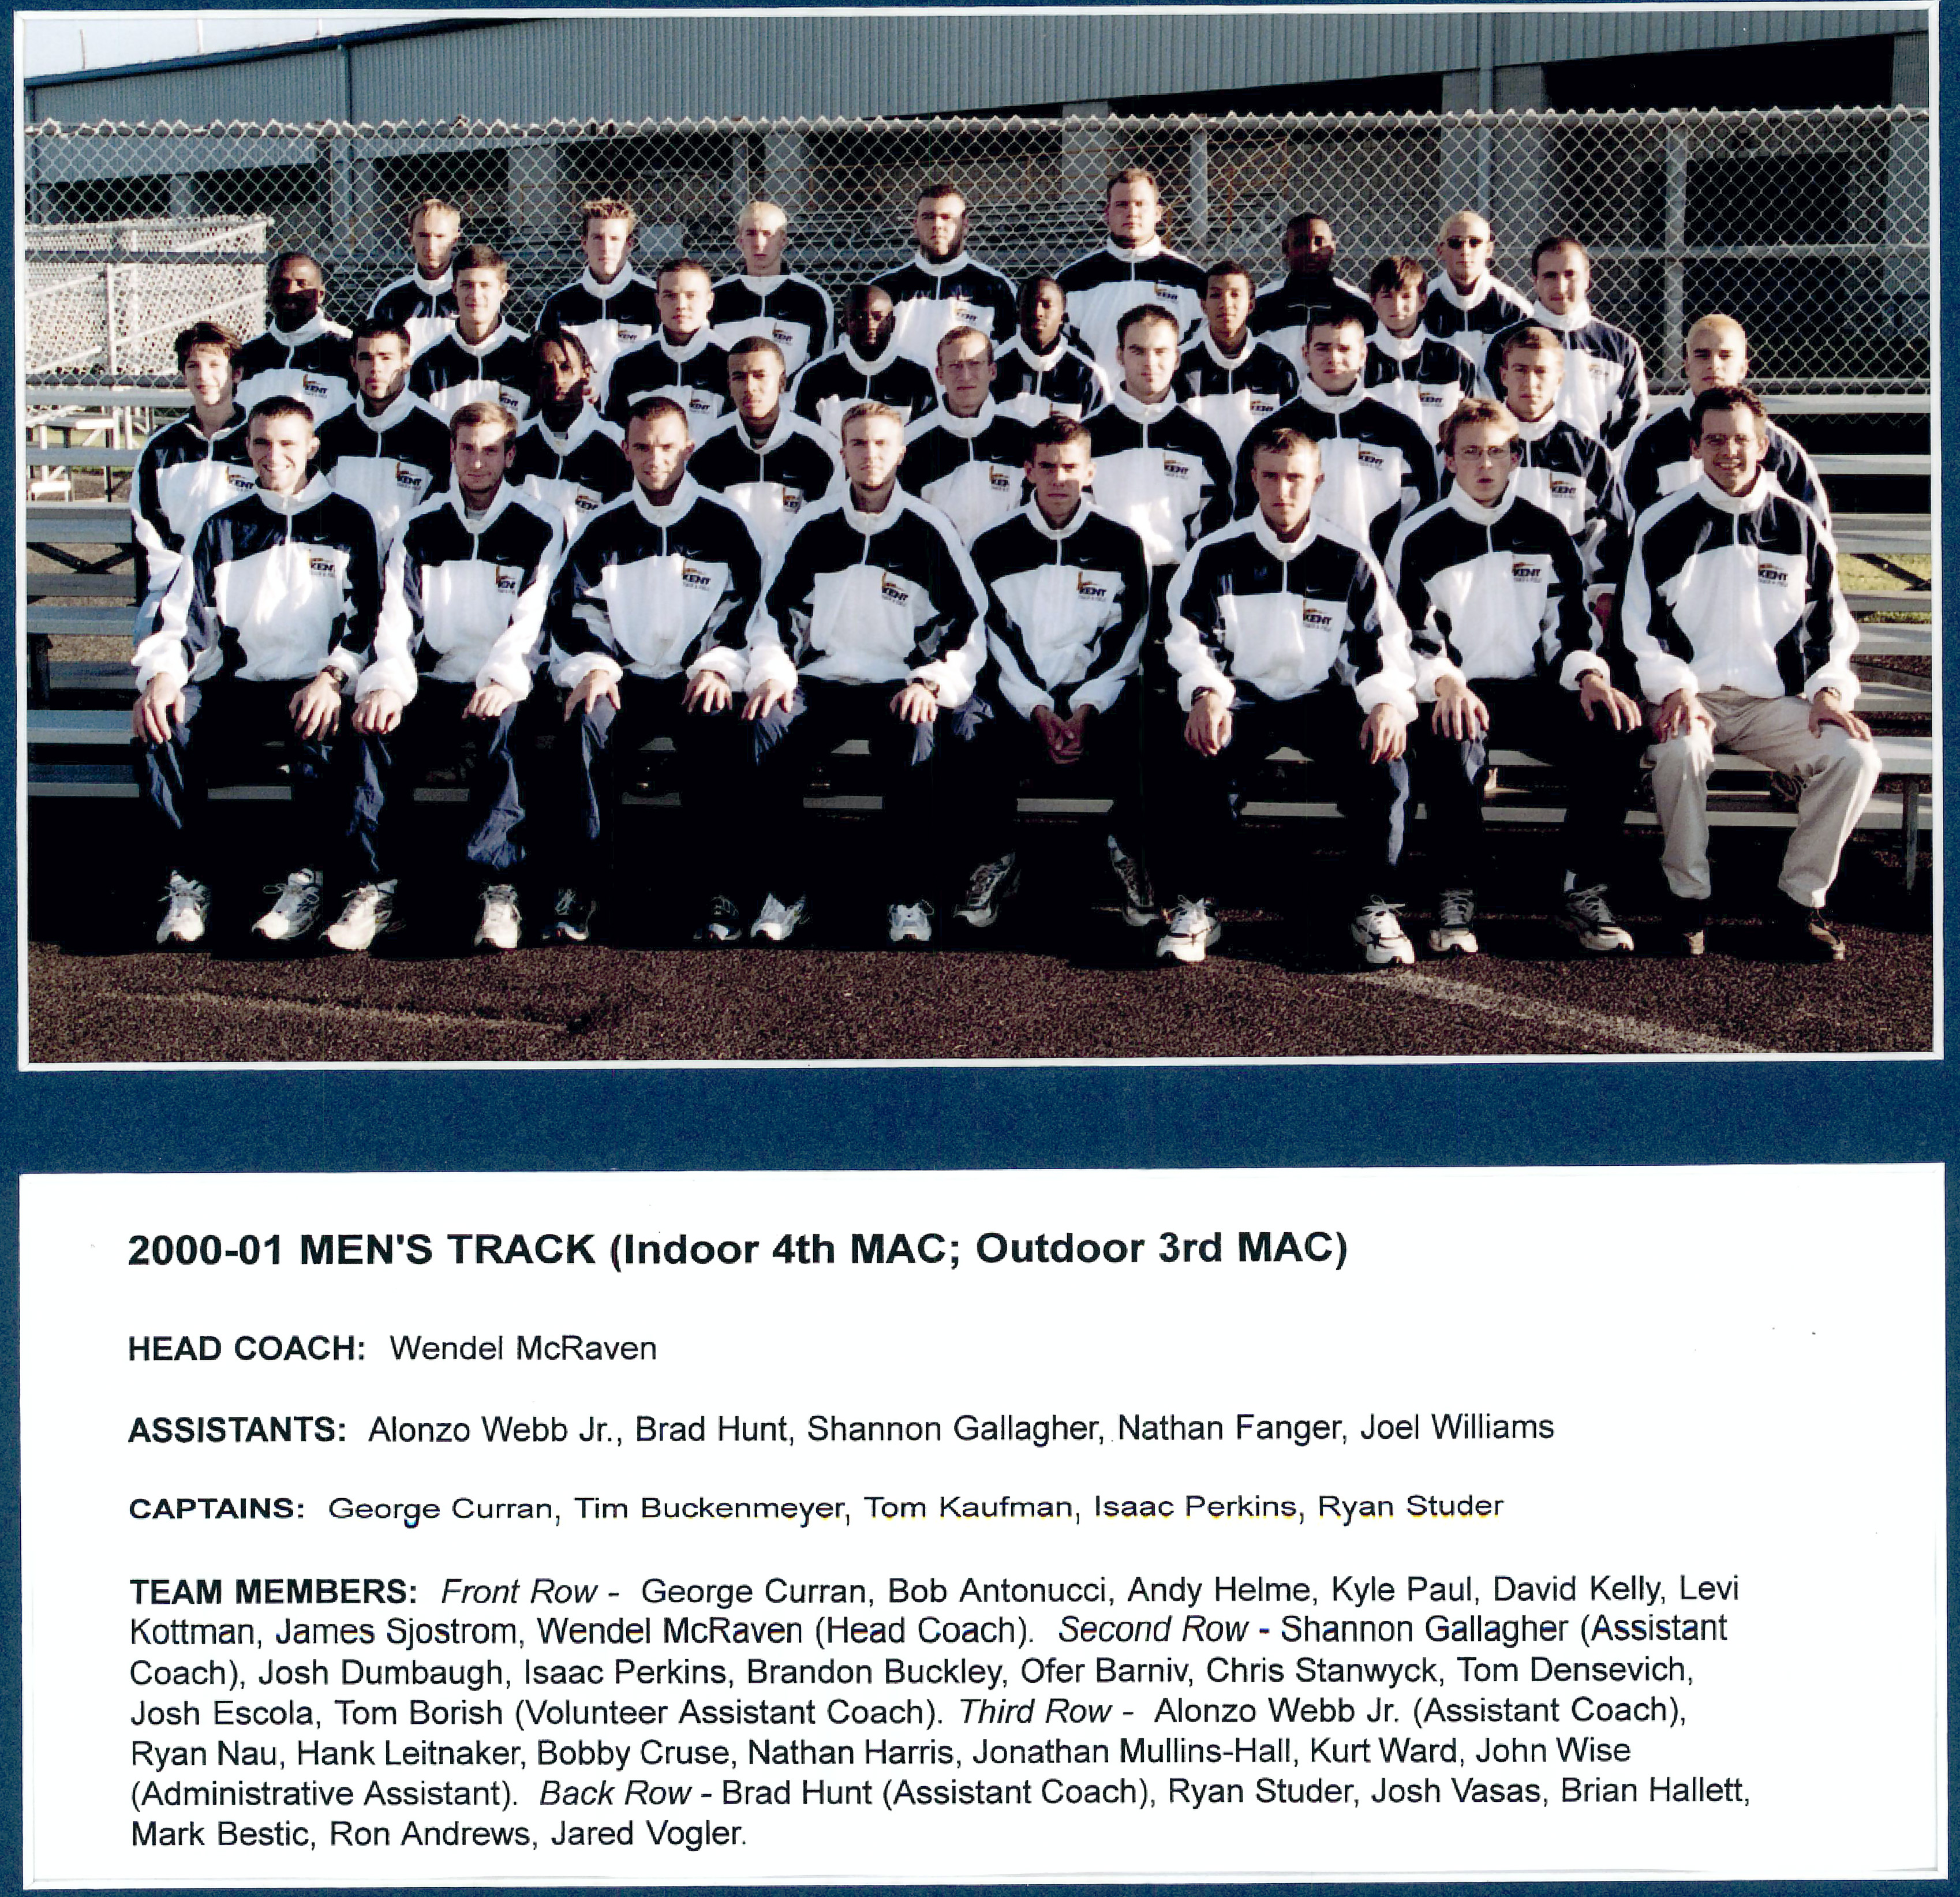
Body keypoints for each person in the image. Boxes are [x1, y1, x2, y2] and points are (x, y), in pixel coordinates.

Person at [1620, 386, 1879, 961]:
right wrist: (1676, 688)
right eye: (1714, 439)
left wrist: (1829, 691)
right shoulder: (1661, 522)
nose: (1728, 451)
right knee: (1680, 752)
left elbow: (1829, 626)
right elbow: (1641, 628)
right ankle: (1687, 899)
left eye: (1740, 439)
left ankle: (1799, 903)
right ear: (1695, 447)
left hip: (1770, 703)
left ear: (1763, 446)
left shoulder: (1800, 523)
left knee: (1855, 758)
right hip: (1692, 697)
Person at [1387, 399, 1647, 957]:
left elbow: (1570, 629)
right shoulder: (1419, 535)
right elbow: (1410, 634)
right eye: (1471, 452)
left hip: (1532, 690)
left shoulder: (1546, 531)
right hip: (1456, 689)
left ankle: (1581, 888)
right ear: (1449, 459)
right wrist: (1446, 683)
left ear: (1516, 458)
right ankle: (1457, 891)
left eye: (1497, 452)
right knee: (1451, 737)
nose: (1485, 464)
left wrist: (1590, 677)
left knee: (1618, 729)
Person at [1158, 424, 1416, 967]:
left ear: (1318, 481)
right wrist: (1205, 691)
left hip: (1320, 696)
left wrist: (1385, 701)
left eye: (1295, 477)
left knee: (1386, 766)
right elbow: (1188, 638)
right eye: (1271, 477)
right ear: (1253, 478)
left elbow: (1382, 643)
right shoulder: (1214, 554)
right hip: (1241, 697)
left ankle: (1372, 904)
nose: (1283, 490)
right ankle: (1197, 903)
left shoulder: (1349, 556)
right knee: (1197, 754)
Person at [133, 395, 383, 947]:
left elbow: (367, 619)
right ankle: (187, 883)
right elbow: (184, 619)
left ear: (312, 447)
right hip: (239, 686)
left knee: (319, 726)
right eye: (263, 442)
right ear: (246, 447)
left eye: (288, 443)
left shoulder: (350, 520)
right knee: (161, 724)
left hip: (313, 684)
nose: (274, 454)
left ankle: (306, 883)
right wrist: (163, 674)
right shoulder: (221, 525)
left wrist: (332, 677)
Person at [743, 402, 988, 946]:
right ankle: (787, 890)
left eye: (881, 444)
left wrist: (930, 682)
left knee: (920, 734)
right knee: (766, 724)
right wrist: (774, 673)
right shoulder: (812, 525)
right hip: (820, 682)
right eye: (858, 443)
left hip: (897, 684)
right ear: (842, 452)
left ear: (901, 453)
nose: (870, 454)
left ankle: (908, 895)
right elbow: (771, 615)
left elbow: (969, 624)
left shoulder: (929, 529)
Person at [332, 402, 560, 953]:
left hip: (505, 685)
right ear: (451, 451)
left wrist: (502, 679)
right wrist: (388, 683)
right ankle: (376, 888)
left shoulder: (540, 523)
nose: (478, 462)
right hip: (433, 684)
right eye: (467, 449)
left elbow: (534, 620)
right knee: (371, 724)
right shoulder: (420, 525)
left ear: (510, 455)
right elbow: (396, 617)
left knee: (507, 726)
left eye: (490, 450)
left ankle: (499, 889)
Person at [543, 398, 762, 947]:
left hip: (695, 677)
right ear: (624, 450)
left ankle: (720, 890)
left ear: (688, 448)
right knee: (584, 724)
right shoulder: (603, 525)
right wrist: (596, 666)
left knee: (716, 728)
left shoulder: (724, 523)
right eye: (641, 446)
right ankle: (583, 886)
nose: (654, 458)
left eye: (667, 446)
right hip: (625, 677)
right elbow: (575, 607)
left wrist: (717, 666)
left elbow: (745, 605)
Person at [948, 417, 1153, 931]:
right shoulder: (991, 544)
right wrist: (1038, 708)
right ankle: (996, 856)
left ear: (1090, 472)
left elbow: (1128, 638)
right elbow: (995, 638)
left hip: (1097, 700)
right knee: (967, 724)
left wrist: (1084, 708)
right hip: (1020, 697)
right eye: (1047, 466)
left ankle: (1127, 850)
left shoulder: (1123, 542)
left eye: (1070, 467)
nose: (1059, 478)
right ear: (1028, 470)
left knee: (1156, 725)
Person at [1236, 306, 1437, 562]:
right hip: (1295, 574)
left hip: (1380, 573)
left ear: (1363, 355)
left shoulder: (1400, 431)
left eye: (1344, 349)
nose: (1333, 358)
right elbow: (1247, 514)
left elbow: (1422, 514)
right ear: (1305, 354)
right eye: (1322, 348)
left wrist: (1393, 567)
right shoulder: (1271, 431)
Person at [1083, 304, 1233, 615]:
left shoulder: (1201, 439)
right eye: (1138, 351)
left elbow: (1214, 522)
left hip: (1178, 589)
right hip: (1103, 588)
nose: (1150, 362)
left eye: (1161, 352)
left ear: (1177, 358)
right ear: (1120, 356)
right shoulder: (1089, 436)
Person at [1618, 313, 1829, 524]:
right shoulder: (1650, 441)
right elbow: (1627, 524)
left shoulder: (1776, 447)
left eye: (1726, 355)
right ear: (1687, 365)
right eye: (1702, 355)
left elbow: (1814, 525)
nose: (1714, 365)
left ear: (1743, 368)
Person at [130, 323, 257, 640]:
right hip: (175, 585)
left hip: (245, 586)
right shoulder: (160, 448)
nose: (204, 376)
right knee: (150, 637)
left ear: (237, 374)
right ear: (183, 375)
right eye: (193, 366)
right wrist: (183, 580)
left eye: (215, 365)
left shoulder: (259, 441)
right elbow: (146, 523)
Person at [1484, 324, 1626, 605]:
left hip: (1566, 599)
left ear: (1560, 378)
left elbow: (1610, 530)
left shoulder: (1587, 452)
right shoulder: (1478, 447)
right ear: (1503, 376)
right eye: (1520, 370)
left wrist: (1603, 592)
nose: (1530, 382)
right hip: (1492, 596)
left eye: (1541, 372)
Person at [1485, 235, 1647, 455]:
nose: (1560, 287)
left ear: (1587, 278)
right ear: (1535, 280)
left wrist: (1597, 462)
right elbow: (1493, 412)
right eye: (1550, 276)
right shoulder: (1505, 343)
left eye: (1570, 275)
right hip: (1522, 467)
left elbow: (1633, 417)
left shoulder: (1620, 346)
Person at [689, 337, 842, 561]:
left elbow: (830, 529)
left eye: (760, 375)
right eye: (739, 377)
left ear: (782, 382)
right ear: (729, 386)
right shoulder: (706, 446)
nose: (750, 388)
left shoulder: (822, 447)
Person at [1056, 168, 1207, 383]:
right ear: (1107, 213)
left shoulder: (1193, 280)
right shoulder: (1071, 281)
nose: (1132, 212)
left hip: (1169, 401)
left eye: (1140, 204)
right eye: (1122, 205)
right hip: (1097, 402)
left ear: (1158, 213)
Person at [314, 320, 452, 553]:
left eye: (386, 358)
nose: (375, 368)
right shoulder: (329, 431)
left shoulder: (439, 432)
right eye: (365, 358)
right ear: (353, 364)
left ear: (406, 363)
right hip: (345, 565)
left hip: (408, 565)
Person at [898, 328, 1034, 545]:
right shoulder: (911, 441)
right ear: (939, 375)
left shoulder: (1025, 434)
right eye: (955, 366)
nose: (965, 376)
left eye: (974, 364)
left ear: (992, 371)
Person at [873, 181, 1018, 369]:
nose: (937, 225)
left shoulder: (997, 289)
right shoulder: (883, 290)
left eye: (947, 217)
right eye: (928, 217)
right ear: (915, 226)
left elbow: (1008, 360)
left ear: (965, 225)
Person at [534, 199, 659, 406]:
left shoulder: (654, 299)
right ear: (584, 243)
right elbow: (540, 369)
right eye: (597, 238)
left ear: (630, 244)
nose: (605, 248)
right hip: (576, 415)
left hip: (636, 415)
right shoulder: (559, 304)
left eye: (615, 239)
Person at [1172, 260, 1299, 462]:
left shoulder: (1278, 368)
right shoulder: (1178, 365)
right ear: (1203, 305)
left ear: (1251, 305)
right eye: (1216, 295)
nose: (1226, 304)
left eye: (1235, 294)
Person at [511, 330, 630, 544]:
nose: (557, 379)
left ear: (586, 373)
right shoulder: (515, 442)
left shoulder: (618, 442)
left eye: (566, 367)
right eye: (545, 370)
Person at [602, 257, 730, 443]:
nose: (681, 305)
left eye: (691, 296)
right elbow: (614, 434)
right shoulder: (627, 365)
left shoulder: (730, 361)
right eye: (670, 296)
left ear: (710, 301)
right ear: (658, 301)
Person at [407, 244, 534, 425]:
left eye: (485, 286)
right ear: (454, 289)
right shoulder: (428, 363)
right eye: (467, 285)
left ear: (503, 291)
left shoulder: (529, 354)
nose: (475, 295)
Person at [1361, 255, 1479, 448]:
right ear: (1373, 302)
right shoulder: (1357, 360)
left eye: (1406, 296)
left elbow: (1473, 428)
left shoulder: (1455, 360)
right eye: (1387, 296)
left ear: (1423, 301)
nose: (1397, 306)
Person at [791, 284, 937, 439]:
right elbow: (804, 438)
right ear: (845, 323)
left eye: (878, 317)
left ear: (893, 323)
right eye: (859, 317)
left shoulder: (921, 375)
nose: (869, 326)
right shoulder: (815, 376)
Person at [710, 198, 834, 379]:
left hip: (790, 397)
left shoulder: (812, 298)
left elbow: (821, 365)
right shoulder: (717, 297)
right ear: (740, 240)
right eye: (751, 233)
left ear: (783, 240)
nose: (759, 243)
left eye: (768, 234)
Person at [233, 252, 354, 427]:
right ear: (269, 290)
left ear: (320, 294)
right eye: (281, 283)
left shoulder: (348, 348)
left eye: (301, 283)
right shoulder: (247, 354)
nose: (290, 291)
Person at [1248, 211, 1368, 369]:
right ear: (1286, 248)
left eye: (1319, 241)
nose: (1311, 250)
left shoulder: (1359, 304)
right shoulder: (1260, 304)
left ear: (1332, 248)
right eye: (1301, 242)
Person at [1424, 209, 1531, 371]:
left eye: (1475, 242)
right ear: (1441, 250)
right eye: (1455, 243)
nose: (1465, 251)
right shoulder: (1420, 304)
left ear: (1489, 250)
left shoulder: (1515, 309)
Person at [368, 196, 463, 356]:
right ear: (411, 237)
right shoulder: (390, 299)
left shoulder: (471, 295)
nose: (431, 246)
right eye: (423, 236)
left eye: (440, 236)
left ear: (455, 239)